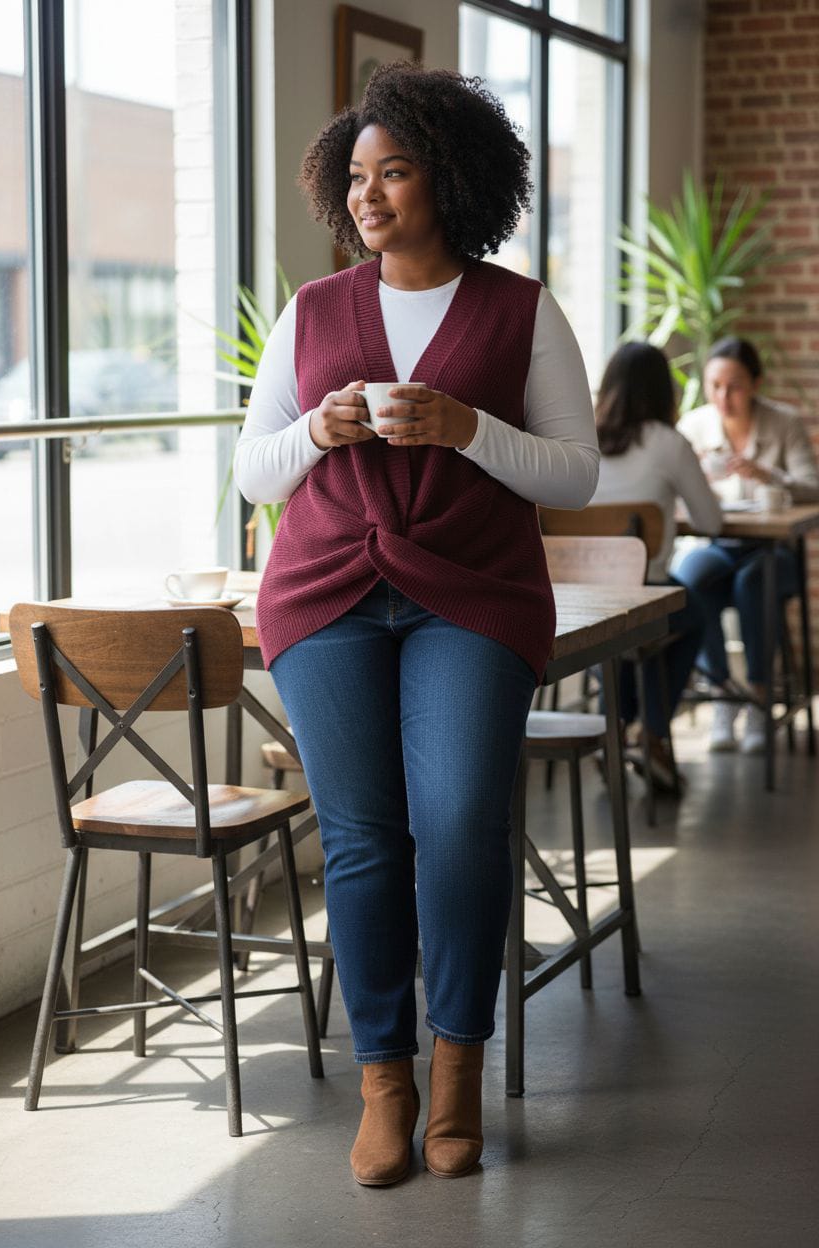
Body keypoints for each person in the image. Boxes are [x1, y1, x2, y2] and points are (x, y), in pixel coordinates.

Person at [234, 63, 598, 1186]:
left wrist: (464, 427)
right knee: (358, 838)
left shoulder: (521, 310)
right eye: (355, 174)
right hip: (326, 591)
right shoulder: (312, 311)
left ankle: (457, 1068)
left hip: (469, 596)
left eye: (394, 171)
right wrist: (321, 436)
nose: (369, 195)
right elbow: (255, 472)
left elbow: (576, 473)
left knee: (455, 824)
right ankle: (382, 1078)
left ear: (452, 177)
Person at [674, 337, 819, 753]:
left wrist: (769, 475)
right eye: (715, 385)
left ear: (756, 384)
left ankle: (758, 696)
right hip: (719, 544)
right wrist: (695, 479)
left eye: (734, 386)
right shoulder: (694, 426)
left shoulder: (783, 423)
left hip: (773, 553)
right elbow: (679, 498)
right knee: (688, 579)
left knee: (755, 580)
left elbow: (813, 489)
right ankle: (722, 693)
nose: (723, 397)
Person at [590, 342, 722, 787]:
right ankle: (651, 733)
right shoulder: (668, 443)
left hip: (580, 599)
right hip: (642, 592)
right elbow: (711, 521)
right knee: (690, 615)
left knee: (623, 635)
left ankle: (616, 730)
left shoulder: (581, 436)